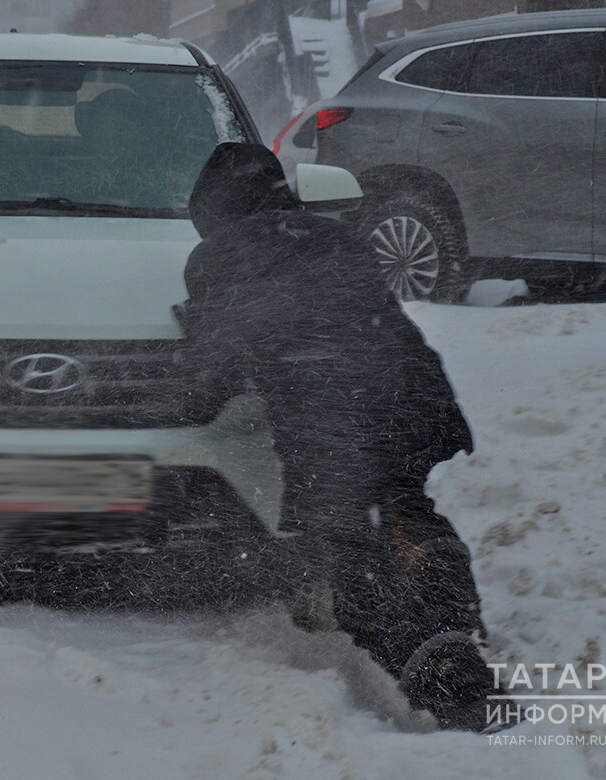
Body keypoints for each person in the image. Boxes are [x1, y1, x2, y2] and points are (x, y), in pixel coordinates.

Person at [180, 141, 507, 731]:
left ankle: (456, 690)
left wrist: (188, 389)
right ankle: (457, 623)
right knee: (407, 510)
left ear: (213, 209)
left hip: (329, 412)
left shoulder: (216, 257)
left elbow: (215, 371)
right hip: (410, 390)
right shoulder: (334, 235)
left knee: (351, 560)